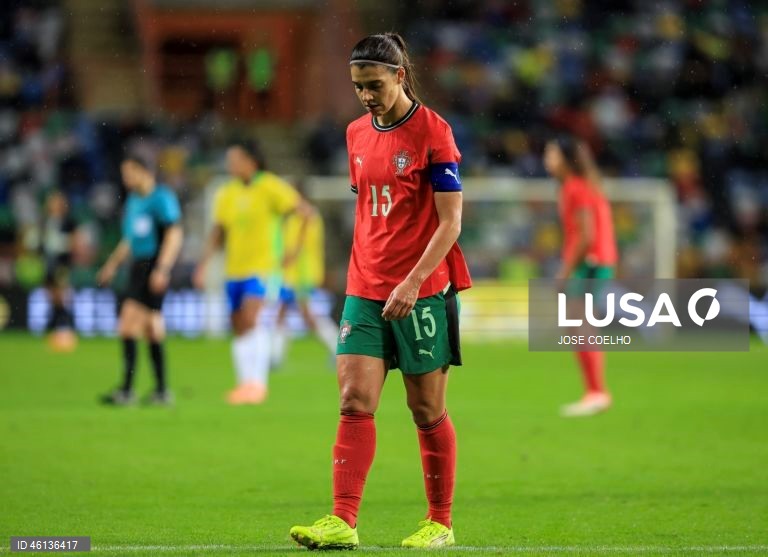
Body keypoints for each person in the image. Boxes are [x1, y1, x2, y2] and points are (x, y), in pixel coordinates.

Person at [289, 33, 471, 551]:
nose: (366, 96)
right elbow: (372, 209)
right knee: (353, 398)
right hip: (365, 287)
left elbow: (451, 222)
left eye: (374, 85)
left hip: (424, 290)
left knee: (425, 409)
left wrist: (413, 281)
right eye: (358, 87)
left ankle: (440, 522)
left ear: (399, 76)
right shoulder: (354, 135)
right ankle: (343, 520)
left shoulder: (434, 133)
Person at [193, 141, 313, 405]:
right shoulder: (226, 193)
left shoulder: (270, 186)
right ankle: (244, 384)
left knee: (252, 318)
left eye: (235, 160)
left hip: (263, 267)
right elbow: (218, 232)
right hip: (233, 269)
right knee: (238, 325)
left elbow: (306, 213)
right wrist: (203, 265)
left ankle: (258, 384)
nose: (230, 166)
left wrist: (294, 251)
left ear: (251, 162)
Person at [98, 155, 183, 405]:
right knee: (153, 328)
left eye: (129, 173)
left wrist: (163, 268)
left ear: (144, 171)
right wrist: (111, 265)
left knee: (127, 325)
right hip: (138, 266)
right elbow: (129, 240)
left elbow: (174, 234)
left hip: (153, 265)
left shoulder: (162, 198)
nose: (125, 179)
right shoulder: (134, 201)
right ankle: (161, 391)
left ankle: (126, 390)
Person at [543, 135, 618, 417]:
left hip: (591, 261)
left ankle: (597, 392)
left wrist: (564, 271)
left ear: (565, 159)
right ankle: (595, 391)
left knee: (579, 325)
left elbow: (587, 235)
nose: (547, 160)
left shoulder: (576, 188)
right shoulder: (576, 187)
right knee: (577, 326)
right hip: (595, 260)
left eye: (551, 154)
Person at [271, 193, 338, 370]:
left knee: (307, 315)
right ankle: (275, 356)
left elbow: (302, 244)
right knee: (282, 311)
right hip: (291, 274)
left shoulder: (311, 217)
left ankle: (338, 348)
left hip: (303, 273)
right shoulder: (294, 218)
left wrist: (290, 256)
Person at [40, 190, 77, 352]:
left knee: (61, 296)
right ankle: (55, 329)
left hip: (62, 265)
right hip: (48, 263)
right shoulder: (45, 222)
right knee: (51, 297)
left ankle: (66, 328)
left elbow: (75, 242)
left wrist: (60, 243)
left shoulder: (68, 222)